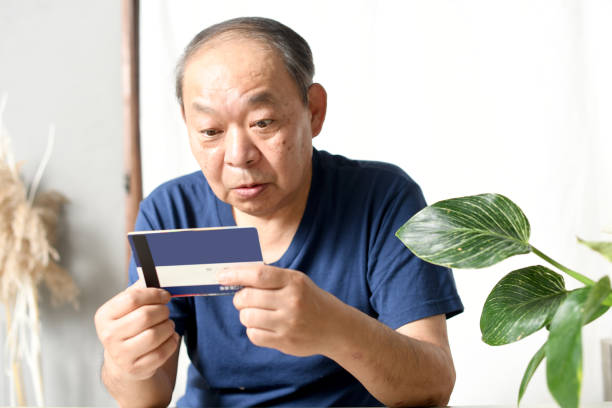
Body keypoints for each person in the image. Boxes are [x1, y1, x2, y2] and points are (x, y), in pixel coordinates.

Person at [95, 16, 463, 407]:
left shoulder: (382, 198)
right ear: (187, 124)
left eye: (263, 122)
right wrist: (122, 363)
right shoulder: (172, 212)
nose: (239, 157)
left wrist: (334, 327)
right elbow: (149, 397)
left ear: (314, 111)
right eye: (210, 132)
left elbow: (433, 386)